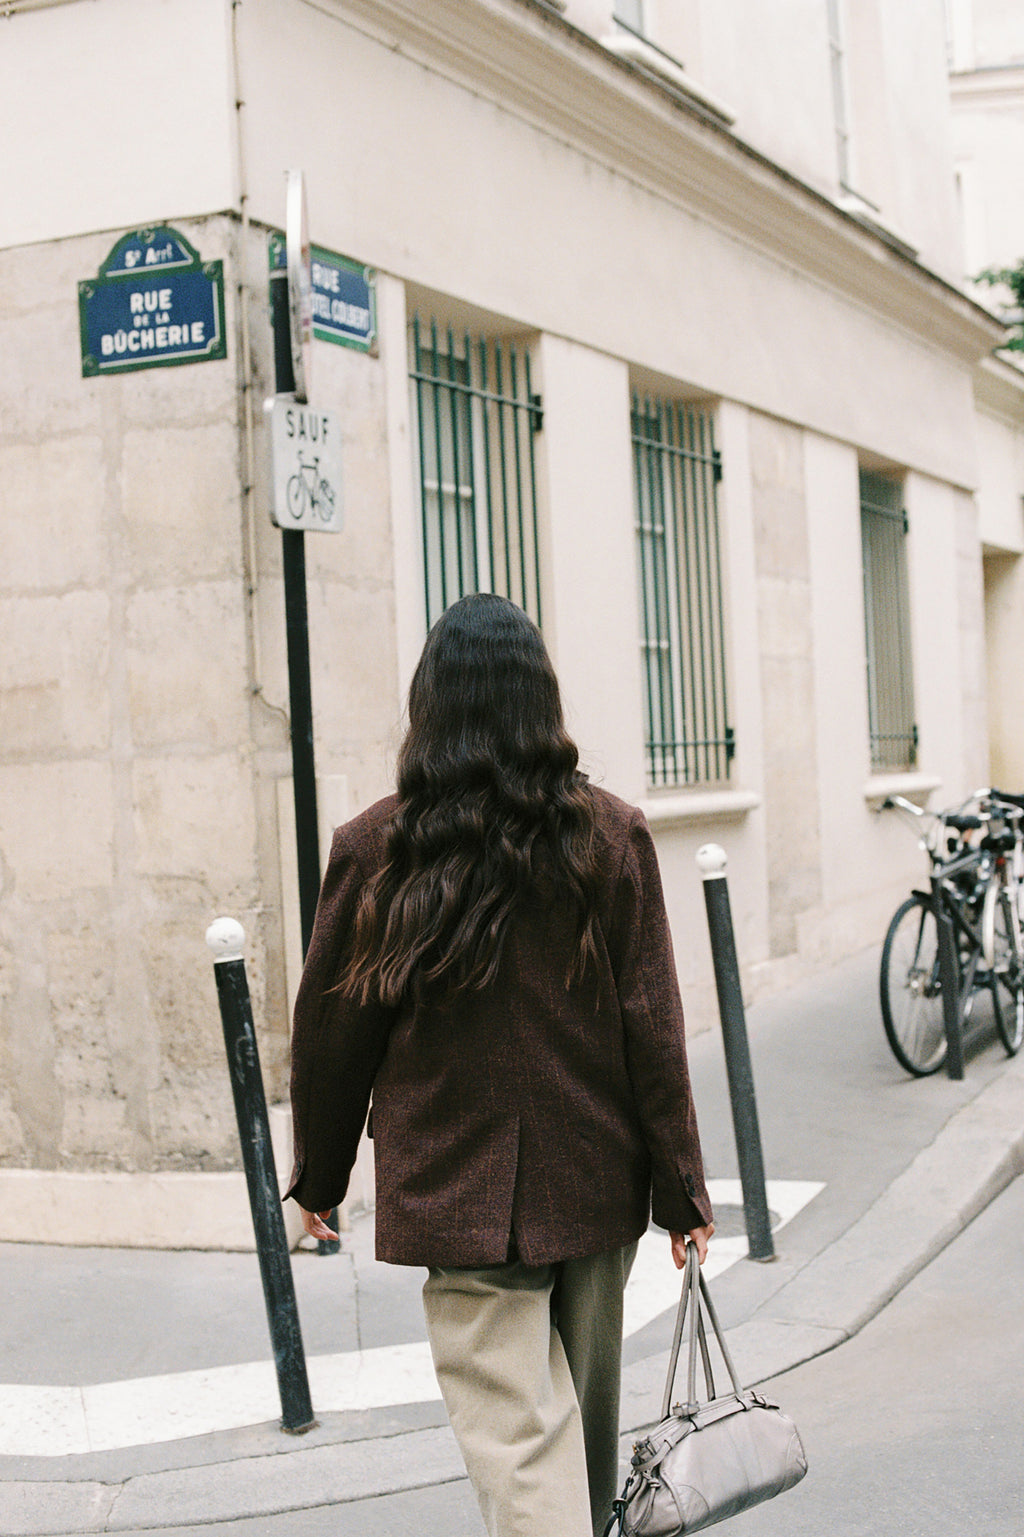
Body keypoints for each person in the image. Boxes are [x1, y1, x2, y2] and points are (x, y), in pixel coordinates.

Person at [287, 592, 713, 1537]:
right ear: (541, 701)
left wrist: (319, 1174)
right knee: (571, 1451)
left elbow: (331, 1036)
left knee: (527, 1450)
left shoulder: (378, 847)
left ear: (429, 704)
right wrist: (682, 1190)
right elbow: (655, 1029)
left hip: (458, 1187)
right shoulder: (608, 834)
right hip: (596, 1181)